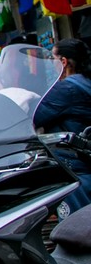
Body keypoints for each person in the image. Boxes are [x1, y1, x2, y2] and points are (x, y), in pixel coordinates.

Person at [34, 37, 91, 207]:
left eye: (53, 60)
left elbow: (33, 117)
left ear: (63, 62)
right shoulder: (85, 83)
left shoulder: (66, 89)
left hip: (74, 168)